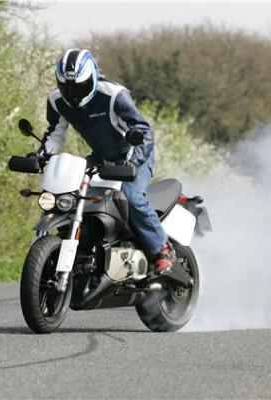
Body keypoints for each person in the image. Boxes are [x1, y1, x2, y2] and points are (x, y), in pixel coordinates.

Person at [40, 48, 175, 274]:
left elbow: (143, 131)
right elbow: (55, 134)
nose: (73, 93)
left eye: (79, 87)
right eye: (67, 87)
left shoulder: (114, 95)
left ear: (92, 77)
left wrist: (132, 163)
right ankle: (85, 248)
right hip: (100, 157)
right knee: (68, 192)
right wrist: (40, 156)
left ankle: (162, 249)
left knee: (131, 197)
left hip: (133, 154)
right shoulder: (56, 100)